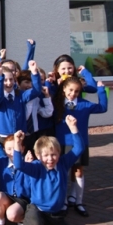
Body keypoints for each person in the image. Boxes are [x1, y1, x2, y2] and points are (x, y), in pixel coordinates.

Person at [13, 115, 84, 225]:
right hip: (37, 210)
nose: (50, 159)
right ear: (38, 155)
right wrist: (17, 143)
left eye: (53, 155)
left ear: (59, 153)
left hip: (56, 213)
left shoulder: (63, 163)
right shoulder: (36, 167)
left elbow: (79, 148)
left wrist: (73, 127)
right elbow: (18, 165)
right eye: (45, 155)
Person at [53, 77, 107, 217]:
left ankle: (79, 201)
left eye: (76, 91)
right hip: (62, 142)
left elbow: (103, 108)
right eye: (70, 90)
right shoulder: (56, 104)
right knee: (62, 172)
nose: (73, 93)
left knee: (78, 172)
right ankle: (63, 201)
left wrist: (101, 90)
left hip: (79, 142)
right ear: (64, 89)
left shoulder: (85, 104)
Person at [0, 135, 31, 225]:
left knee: (12, 214)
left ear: (22, 149)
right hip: (7, 196)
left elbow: (30, 185)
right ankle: (0, 222)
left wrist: (28, 167)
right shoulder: (2, 161)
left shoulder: (27, 161)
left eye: (15, 148)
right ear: (4, 150)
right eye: (9, 149)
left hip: (23, 199)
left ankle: (23, 221)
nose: (12, 152)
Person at [0, 60, 41, 144]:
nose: (9, 83)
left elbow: (36, 91)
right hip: (4, 136)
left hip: (20, 135)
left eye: (11, 79)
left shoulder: (21, 95)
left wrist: (34, 73)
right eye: (5, 80)